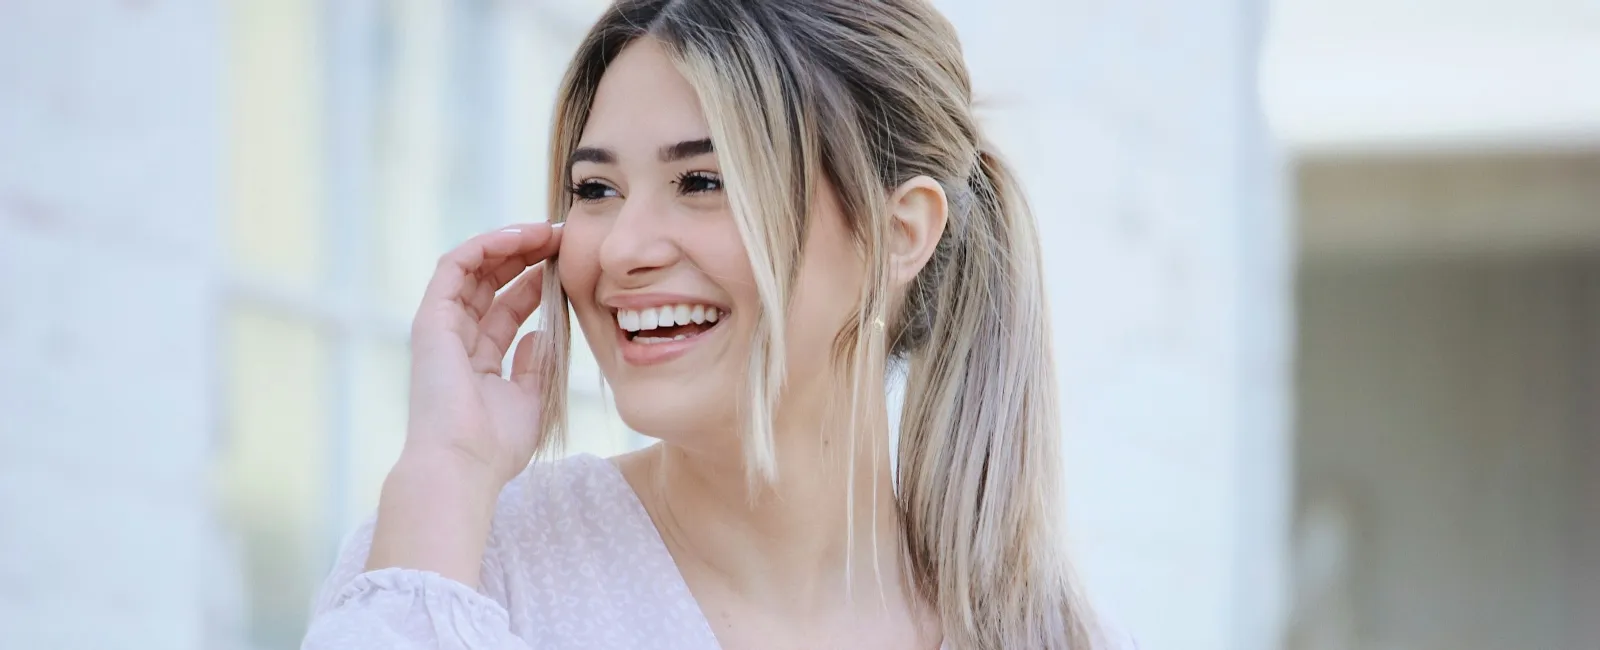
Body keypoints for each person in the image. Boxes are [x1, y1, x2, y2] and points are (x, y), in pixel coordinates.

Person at [302, 1, 1127, 648]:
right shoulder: (459, 560)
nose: (621, 248)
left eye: (703, 180)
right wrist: (445, 471)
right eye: (595, 191)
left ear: (898, 234)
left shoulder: (1053, 638)